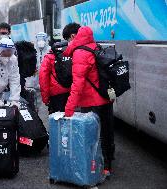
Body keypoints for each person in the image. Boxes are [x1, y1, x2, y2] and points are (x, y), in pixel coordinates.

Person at [62, 23, 115, 176]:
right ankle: (107, 166)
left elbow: (77, 84)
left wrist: (69, 109)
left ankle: (93, 168)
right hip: (106, 98)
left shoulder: (80, 53)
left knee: (91, 136)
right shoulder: (97, 47)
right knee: (107, 132)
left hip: (91, 103)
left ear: (74, 37)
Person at [39, 46, 71, 114]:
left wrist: (45, 98)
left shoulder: (49, 57)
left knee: (57, 118)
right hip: (71, 91)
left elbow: (43, 78)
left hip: (56, 94)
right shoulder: (70, 54)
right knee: (71, 115)